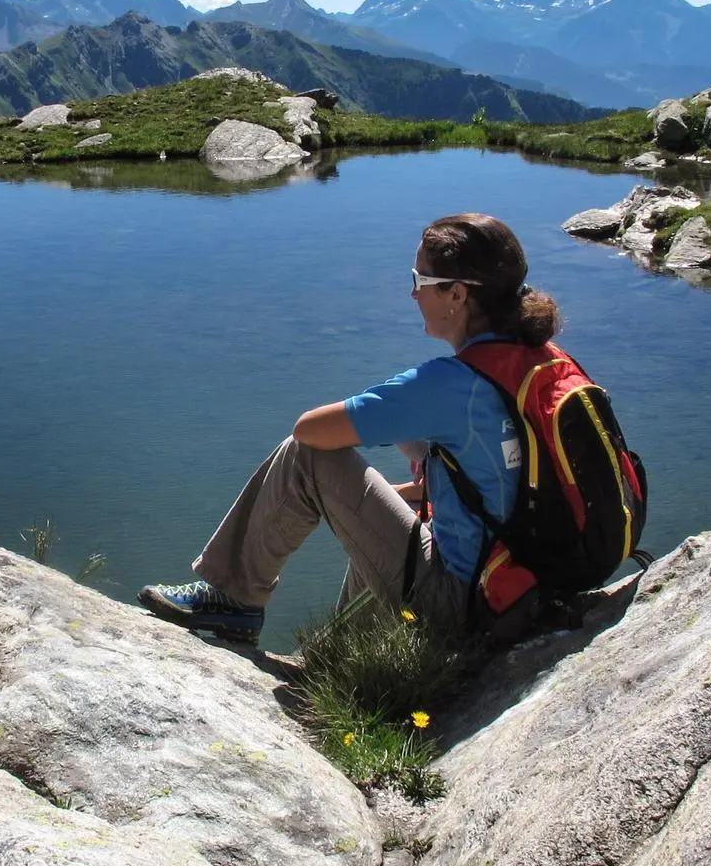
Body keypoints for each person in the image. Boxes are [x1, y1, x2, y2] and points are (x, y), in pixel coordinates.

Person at [137, 212, 563, 645]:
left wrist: (399, 413)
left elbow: (311, 432)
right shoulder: (542, 362)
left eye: (420, 279)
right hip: (526, 588)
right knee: (390, 511)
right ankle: (338, 661)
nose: (412, 293)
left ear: (456, 294)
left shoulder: (450, 385)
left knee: (308, 458)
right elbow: (505, 477)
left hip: (464, 604)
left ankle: (233, 598)